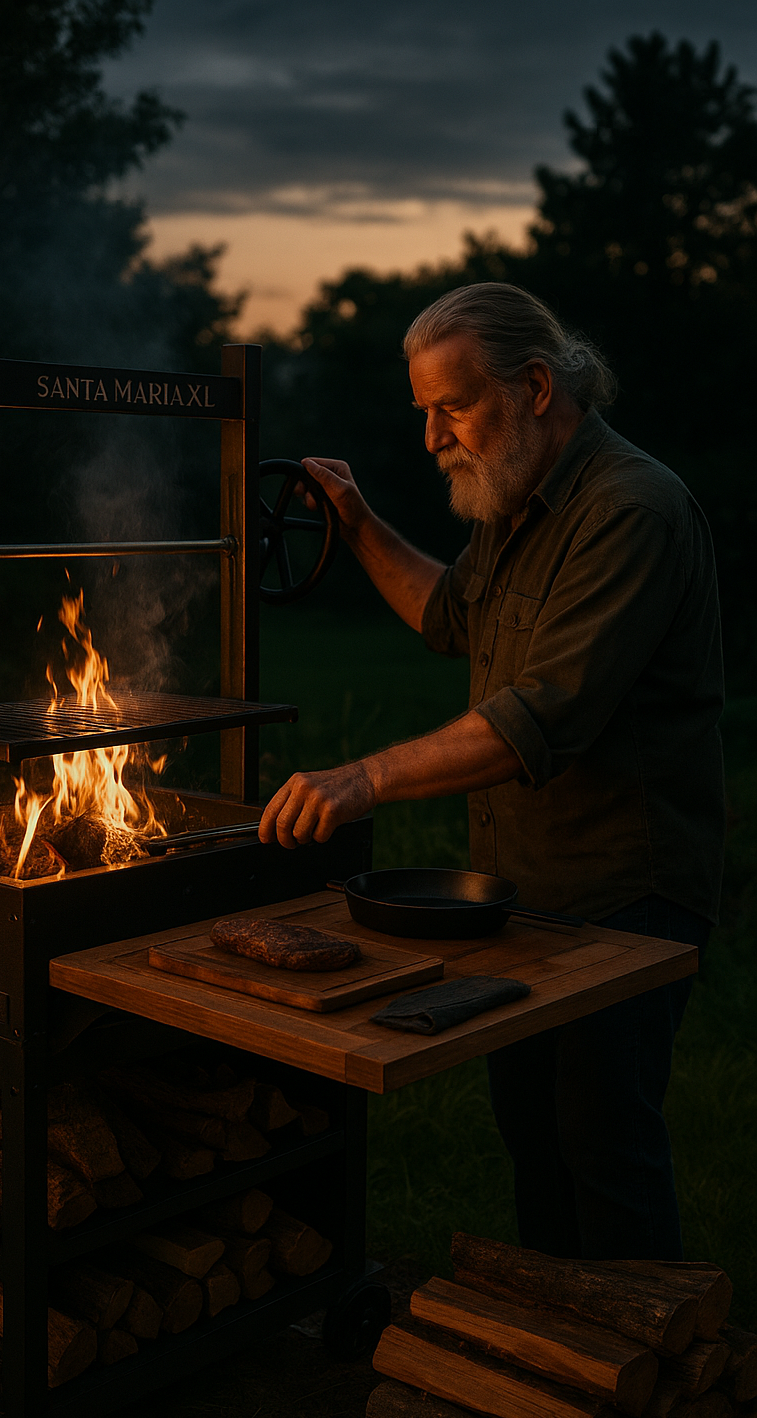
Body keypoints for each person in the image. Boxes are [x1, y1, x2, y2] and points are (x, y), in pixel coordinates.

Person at [258, 282, 724, 1262]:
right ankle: (549, 1350)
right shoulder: (509, 502)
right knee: (533, 1140)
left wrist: (362, 778)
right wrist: (356, 525)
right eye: (421, 410)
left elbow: (534, 718)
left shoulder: (632, 510)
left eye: (452, 406)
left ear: (535, 386)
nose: (431, 436)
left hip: (622, 895)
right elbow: (453, 618)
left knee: (604, 1146)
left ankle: (639, 1366)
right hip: (524, 894)